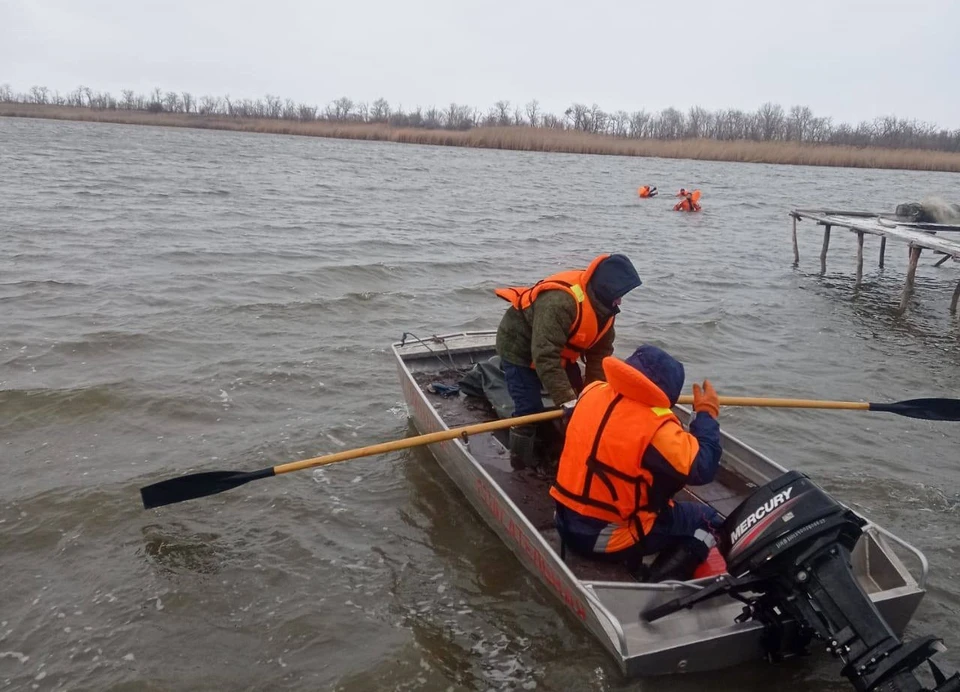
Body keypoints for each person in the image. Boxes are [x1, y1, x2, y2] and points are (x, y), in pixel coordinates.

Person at [549, 344, 722, 582]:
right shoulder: (656, 428)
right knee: (708, 522)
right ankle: (655, 583)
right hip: (604, 539)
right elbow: (704, 467)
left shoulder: (591, 393)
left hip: (563, 519)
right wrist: (705, 415)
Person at [494, 254, 643, 470]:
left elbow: (599, 357)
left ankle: (570, 455)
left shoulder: (606, 308)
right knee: (529, 410)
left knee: (583, 403)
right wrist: (567, 400)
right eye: (618, 294)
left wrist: (593, 396)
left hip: (559, 352)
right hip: (520, 349)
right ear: (605, 288)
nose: (620, 301)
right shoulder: (560, 303)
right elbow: (545, 356)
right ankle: (520, 465)